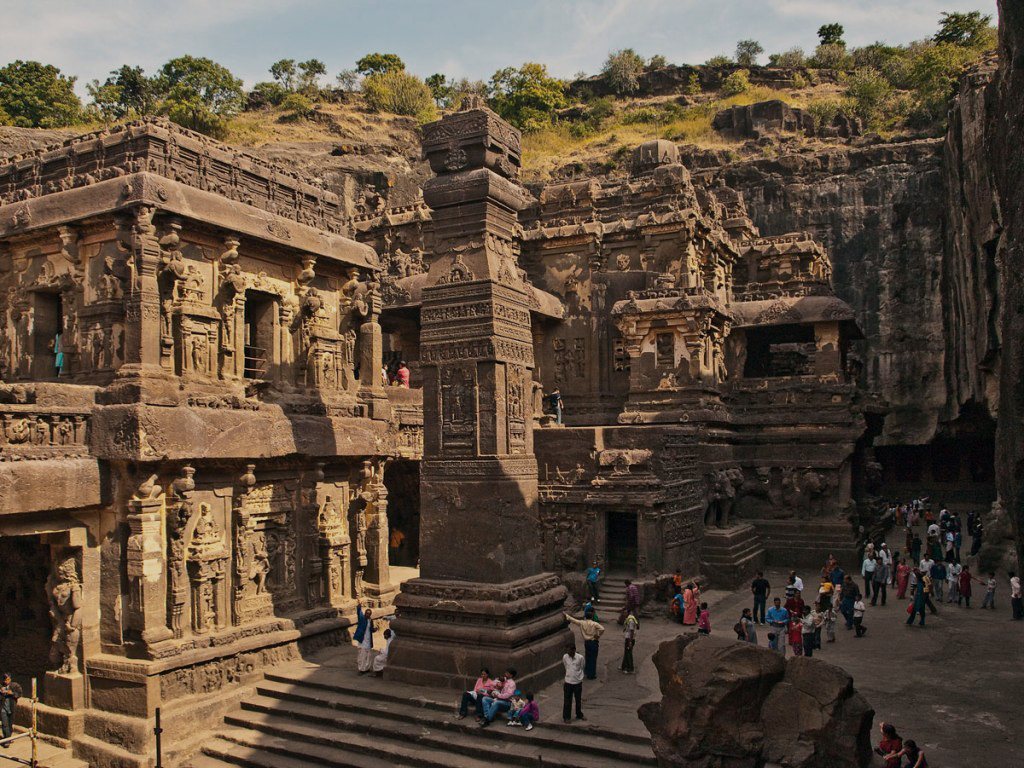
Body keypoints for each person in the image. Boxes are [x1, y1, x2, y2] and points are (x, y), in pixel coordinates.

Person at [564, 611, 604, 680]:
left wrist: (566, 615)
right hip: (593, 641)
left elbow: (574, 620)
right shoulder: (594, 624)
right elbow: (602, 629)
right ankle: (591, 674)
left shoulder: (582, 623)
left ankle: (587, 671)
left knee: (588, 657)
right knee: (593, 658)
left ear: (585, 617)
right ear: (592, 617)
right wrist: (598, 635)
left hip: (587, 642)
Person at [561, 645, 585, 723]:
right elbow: (565, 666)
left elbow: (582, 666)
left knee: (578, 699)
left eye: (570, 651)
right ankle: (566, 717)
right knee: (567, 700)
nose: (568, 653)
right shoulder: (565, 657)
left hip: (577, 681)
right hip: (568, 681)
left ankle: (579, 714)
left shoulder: (580, 658)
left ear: (574, 650)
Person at [354, 602, 375, 674]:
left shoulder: (371, 621)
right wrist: (359, 607)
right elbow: (359, 613)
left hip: (368, 640)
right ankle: (361, 669)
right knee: (362, 656)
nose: (367, 615)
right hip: (362, 640)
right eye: (366, 613)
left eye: (369, 614)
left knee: (368, 655)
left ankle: (367, 668)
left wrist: (374, 630)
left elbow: (371, 629)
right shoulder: (362, 619)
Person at [0, 673, 19, 750]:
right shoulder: (1, 686)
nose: (6, 681)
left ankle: (8, 737)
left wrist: (12, 693)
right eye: (5, 680)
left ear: (10, 679)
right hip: (3, 708)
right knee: (4, 724)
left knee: (10, 724)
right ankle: (6, 740)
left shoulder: (15, 686)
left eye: (8, 679)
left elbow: (19, 694)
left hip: (11, 708)